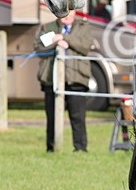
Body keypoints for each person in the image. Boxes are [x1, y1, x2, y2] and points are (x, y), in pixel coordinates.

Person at [35, 11, 96, 152]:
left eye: (71, 12)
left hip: (76, 78)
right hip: (52, 79)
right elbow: (39, 48)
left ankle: (80, 149)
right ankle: (52, 148)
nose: (67, 15)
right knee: (52, 117)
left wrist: (65, 38)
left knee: (78, 117)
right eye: (64, 12)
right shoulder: (47, 27)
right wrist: (56, 42)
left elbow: (85, 46)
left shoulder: (83, 26)